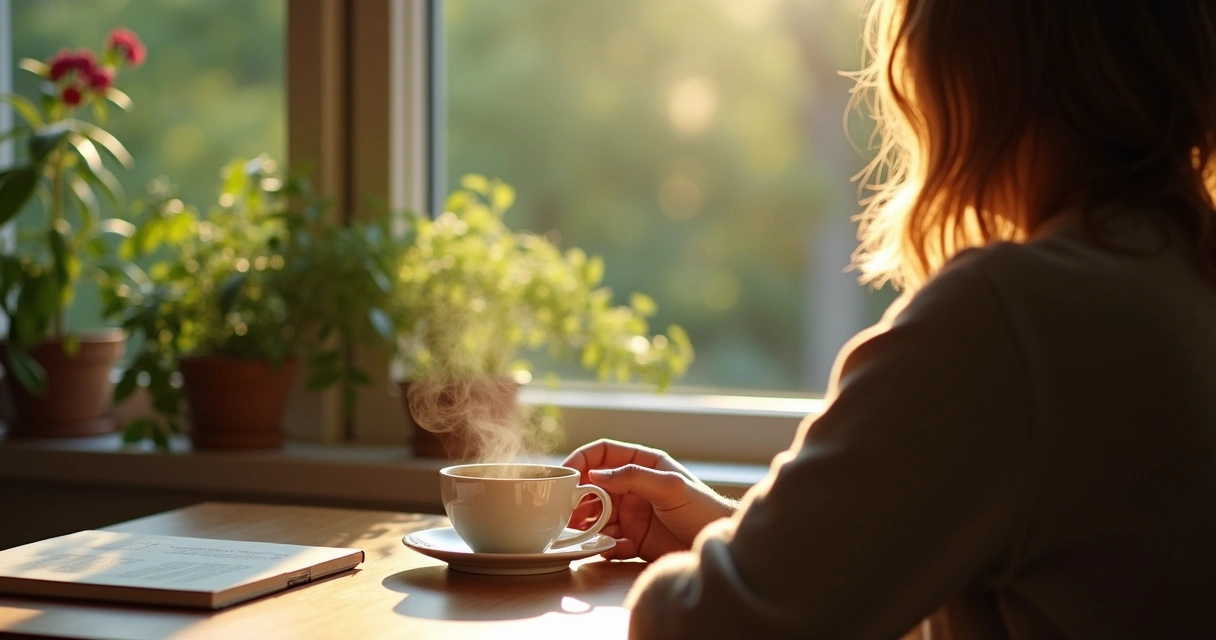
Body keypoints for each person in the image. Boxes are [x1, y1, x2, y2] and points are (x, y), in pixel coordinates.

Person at [562, 0, 1216, 637]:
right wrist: (732, 538)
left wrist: (719, 573)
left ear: (964, 68)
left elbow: (699, 627)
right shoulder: (1178, 278)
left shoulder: (1010, 316)